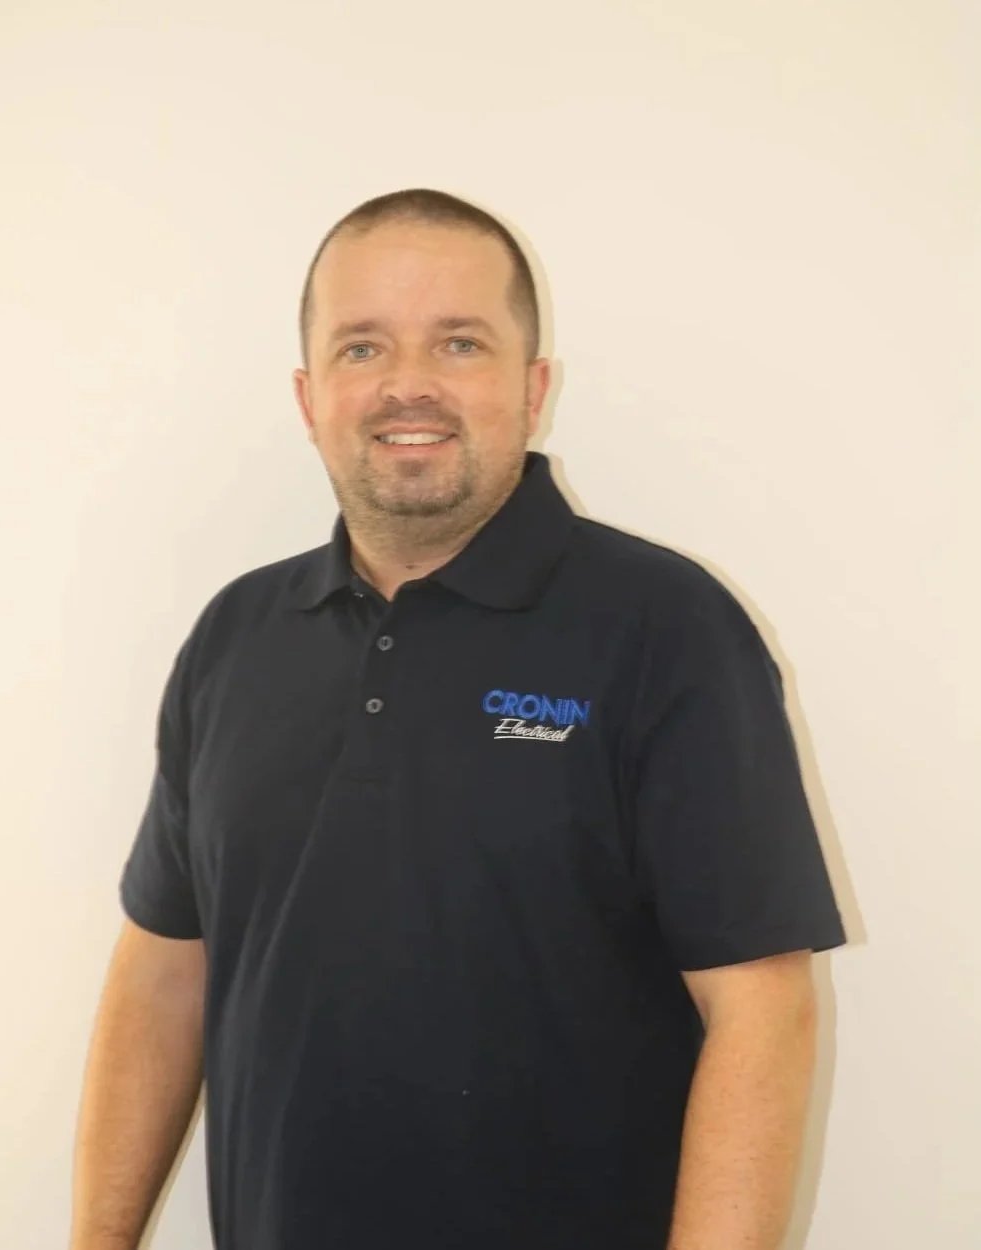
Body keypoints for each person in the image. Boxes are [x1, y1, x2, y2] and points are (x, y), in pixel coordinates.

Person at [69, 188, 846, 1250]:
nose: (408, 386)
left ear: (533, 387)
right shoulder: (235, 635)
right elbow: (164, 969)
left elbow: (762, 1011)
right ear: (308, 395)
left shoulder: (666, 628)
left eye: (460, 341)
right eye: (361, 347)